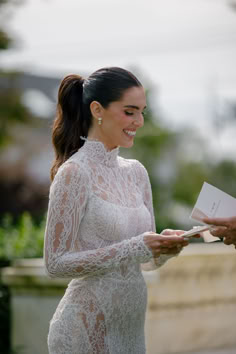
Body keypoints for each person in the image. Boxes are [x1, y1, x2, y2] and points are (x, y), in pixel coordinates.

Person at [44, 67, 188, 354]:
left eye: (142, 112)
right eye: (129, 111)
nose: (139, 121)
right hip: (84, 330)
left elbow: (141, 262)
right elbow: (56, 263)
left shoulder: (136, 172)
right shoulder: (74, 173)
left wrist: (160, 250)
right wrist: (136, 246)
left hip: (131, 330)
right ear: (97, 109)